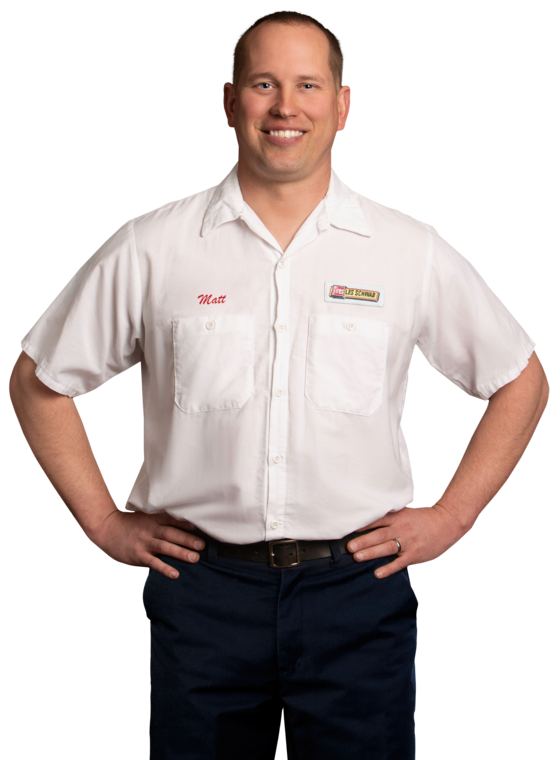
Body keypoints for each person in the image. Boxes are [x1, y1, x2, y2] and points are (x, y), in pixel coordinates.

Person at [8, 8, 549, 759]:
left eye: (307, 85)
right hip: (202, 598)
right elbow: (38, 379)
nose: (285, 106)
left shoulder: (407, 250)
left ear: (343, 105)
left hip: (358, 593)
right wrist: (103, 522)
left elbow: (521, 380)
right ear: (230, 104)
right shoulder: (153, 246)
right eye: (263, 84)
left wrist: (453, 517)